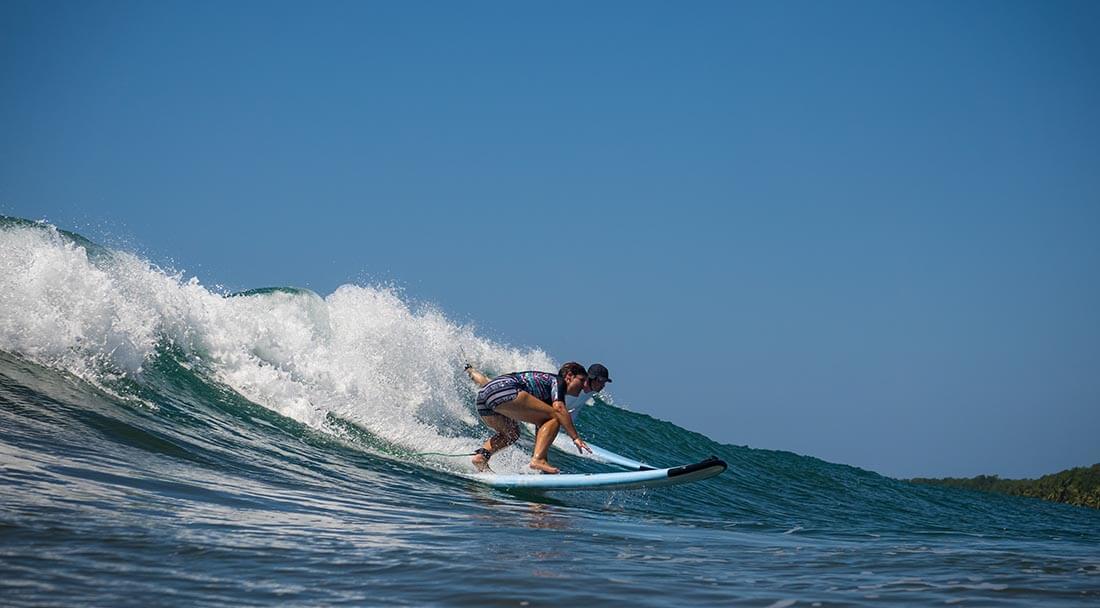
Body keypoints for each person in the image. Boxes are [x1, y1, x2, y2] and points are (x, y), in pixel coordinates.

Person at [469, 362, 592, 474]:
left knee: (511, 434)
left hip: (484, 398)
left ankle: (481, 456)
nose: (584, 386)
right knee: (556, 416)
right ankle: (537, 460)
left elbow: (543, 428)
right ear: (569, 376)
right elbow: (559, 409)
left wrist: (544, 460)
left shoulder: (548, 393)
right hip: (505, 390)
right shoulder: (558, 381)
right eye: (582, 380)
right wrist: (575, 437)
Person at [466, 362, 611, 417]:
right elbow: (557, 407)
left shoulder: (589, 392)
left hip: (526, 398)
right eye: (601, 381)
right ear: (590, 378)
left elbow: (573, 410)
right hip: (519, 391)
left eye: (605, 382)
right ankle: (470, 369)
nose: (603, 385)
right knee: (486, 382)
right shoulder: (571, 385)